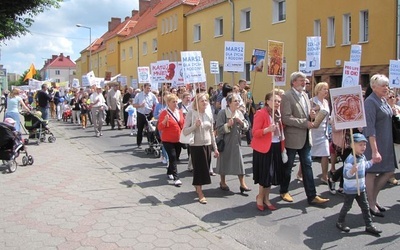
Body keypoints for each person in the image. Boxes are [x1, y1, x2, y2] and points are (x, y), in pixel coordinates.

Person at [280, 71, 329, 205]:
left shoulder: (305, 95)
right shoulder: (287, 96)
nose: (304, 83)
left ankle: (312, 196)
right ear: (294, 82)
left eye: (305, 81)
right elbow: (286, 118)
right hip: (293, 138)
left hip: (306, 137)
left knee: (307, 166)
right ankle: (284, 190)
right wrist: (304, 122)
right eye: (302, 80)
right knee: (288, 166)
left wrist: (312, 114)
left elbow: (307, 114)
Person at [335, 133, 382, 235]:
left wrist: (372, 161)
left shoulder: (362, 157)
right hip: (351, 189)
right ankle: (340, 221)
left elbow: (365, 165)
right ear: (352, 145)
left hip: (361, 188)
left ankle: (369, 225)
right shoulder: (350, 160)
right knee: (347, 206)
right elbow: (345, 175)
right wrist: (352, 171)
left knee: (365, 207)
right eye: (360, 145)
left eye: (364, 145)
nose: (363, 147)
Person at [363, 74, 397, 217]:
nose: (386, 88)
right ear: (374, 87)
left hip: (386, 142)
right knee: (371, 173)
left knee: (389, 171)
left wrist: (392, 107)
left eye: (387, 85)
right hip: (375, 143)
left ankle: (372, 198)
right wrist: (375, 151)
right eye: (383, 85)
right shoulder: (370, 102)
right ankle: (370, 203)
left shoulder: (383, 100)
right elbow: (369, 128)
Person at [182, 92, 219, 204]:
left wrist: (215, 148)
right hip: (196, 145)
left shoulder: (209, 113)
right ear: (196, 102)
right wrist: (195, 125)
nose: (205, 102)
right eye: (202, 100)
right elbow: (185, 131)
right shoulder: (192, 113)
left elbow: (212, 132)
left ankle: (197, 185)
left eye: (206, 100)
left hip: (207, 144)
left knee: (206, 168)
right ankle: (200, 192)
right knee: (199, 169)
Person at [252, 92, 285, 211]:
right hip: (264, 148)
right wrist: (267, 130)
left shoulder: (278, 114)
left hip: (276, 146)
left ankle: (267, 198)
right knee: (264, 174)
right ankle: (260, 197)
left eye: (279, 101)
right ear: (267, 101)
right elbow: (255, 132)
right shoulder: (261, 113)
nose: (277, 103)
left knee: (271, 174)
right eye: (274, 100)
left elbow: (280, 131)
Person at [215, 93, 251, 193]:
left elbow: (247, 127)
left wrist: (241, 122)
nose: (238, 102)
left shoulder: (239, 113)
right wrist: (227, 125)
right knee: (224, 162)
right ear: (229, 103)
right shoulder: (222, 113)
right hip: (225, 141)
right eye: (235, 101)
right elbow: (218, 129)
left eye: (238, 101)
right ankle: (222, 182)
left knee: (239, 163)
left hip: (236, 142)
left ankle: (242, 184)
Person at [157, 94, 185, 187]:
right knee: (172, 157)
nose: (175, 103)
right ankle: (176, 178)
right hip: (167, 139)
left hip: (178, 139)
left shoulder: (179, 112)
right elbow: (160, 127)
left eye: (176, 101)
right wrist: (164, 121)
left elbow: (182, 123)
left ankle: (169, 171)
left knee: (176, 157)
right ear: (168, 103)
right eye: (173, 102)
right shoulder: (164, 113)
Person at [310, 82, 330, 184]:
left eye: (327, 89)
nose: (326, 91)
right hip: (314, 131)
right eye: (324, 89)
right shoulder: (312, 101)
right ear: (318, 90)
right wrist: (314, 111)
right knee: (309, 154)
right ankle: (300, 173)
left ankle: (324, 176)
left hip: (324, 132)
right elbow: (309, 115)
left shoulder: (326, 102)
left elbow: (327, 116)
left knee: (326, 153)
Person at [133, 83, 158, 149]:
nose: (148, 90)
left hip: (149, 114)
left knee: (150, 129)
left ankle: (151, 142)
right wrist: (140, 106)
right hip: (141, 114)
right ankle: (139, 143)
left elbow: (156, 104)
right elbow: (134, 105)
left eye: (149, 88)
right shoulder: (138, 95)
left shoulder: (152, 95)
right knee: (140, 129)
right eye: (147, 88)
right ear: (143, 88)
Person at [386, 90, 399, 185]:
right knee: (392, 157)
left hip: (398, 135)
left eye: (393, 97)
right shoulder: (385, 109)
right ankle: (390, 175)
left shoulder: (398, 108)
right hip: (390, 136)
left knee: (397, 156)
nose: (392, 99)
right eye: (389, 97)